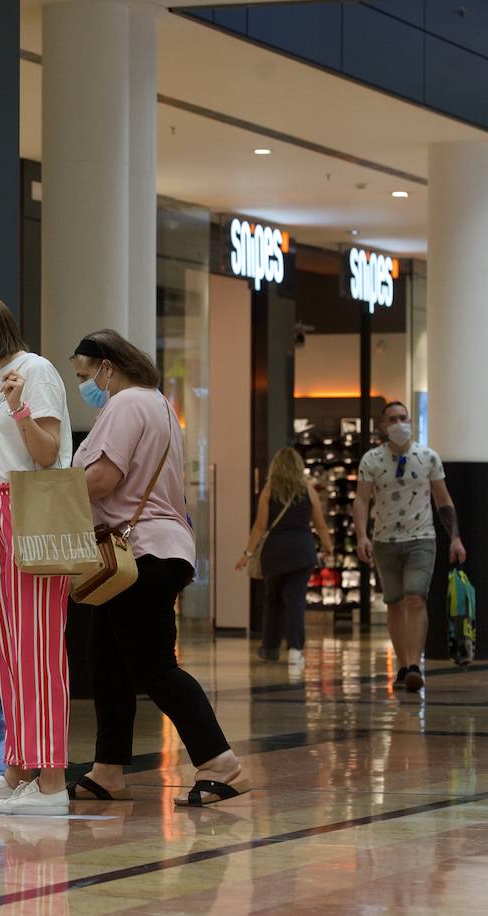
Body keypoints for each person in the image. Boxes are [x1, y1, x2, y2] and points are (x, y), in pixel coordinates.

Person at [68, 330, 249, 807]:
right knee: (107, 661)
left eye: (87, 375)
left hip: (140, 552)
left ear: (109, 366)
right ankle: (108, 770)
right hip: (154, 549)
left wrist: (53, 491)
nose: (87, 386)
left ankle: (219, 762)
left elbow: (105, 476)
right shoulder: (161, 405)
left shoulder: (126, 404)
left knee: (153, 666)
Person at [0, 293, 73, 816]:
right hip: (2, 519)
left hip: (34, 520)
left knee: (40, 651)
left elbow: (47, 453)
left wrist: (22, 408)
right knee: (11, 652)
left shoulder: (35, 372)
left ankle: (51, 781)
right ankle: (18, 770)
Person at [353, 401, 466, 693]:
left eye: (404, 418)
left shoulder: (428, 458)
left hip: (422, 539)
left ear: (412, 422)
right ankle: (402, 665)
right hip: (384, 541)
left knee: (416, 598)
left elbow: (443, 501)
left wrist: (455, 538)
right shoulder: (372, 460)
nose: (399, 423)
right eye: (393, 419)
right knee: (393, 603)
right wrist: (361, 536)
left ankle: (415, 665)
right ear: (382, 426)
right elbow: (362, 499)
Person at [237, 448, 334, 666]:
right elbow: (319, 523)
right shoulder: (308, 490)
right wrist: (328, 547)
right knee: (296, 600)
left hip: (276, 552)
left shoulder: (269, 490)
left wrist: (247, 554)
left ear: (276, 466)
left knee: (273, 600)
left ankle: (270, 648)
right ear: (298, 466)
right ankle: (295, 650)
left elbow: (260, 526)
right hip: (302, 551)